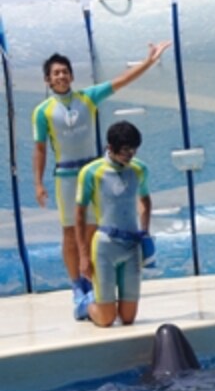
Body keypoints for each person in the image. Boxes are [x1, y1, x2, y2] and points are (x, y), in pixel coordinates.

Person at [32, 41, 171, 304]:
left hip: (93, 173)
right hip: (65, 176)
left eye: (64, 71)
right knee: (70, 233)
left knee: (94, 231)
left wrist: (149, 61)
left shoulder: (88, 97)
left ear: (71, 76)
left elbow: (121, 81)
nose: (61, 76)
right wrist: (38, 183)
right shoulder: (42, 112)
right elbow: (40, 150)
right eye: (55, 73)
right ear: (48, 80)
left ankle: (93, 282)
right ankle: (77, 288)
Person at [75, 120, 151, 327]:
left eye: (134, 150)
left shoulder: (139, 169)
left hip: (131, 245)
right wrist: (83, 256)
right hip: (106, 245)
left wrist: (145, 233)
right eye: (126, 150)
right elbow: (80, 215)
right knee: (107, 319)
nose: (131, 155)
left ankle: (102, 301)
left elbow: (145, 201)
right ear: (110, 147)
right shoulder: (91, 172)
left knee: (128, 318)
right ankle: (86, 303)